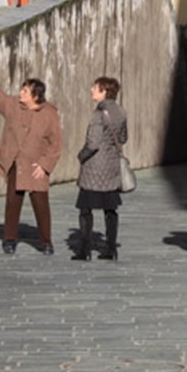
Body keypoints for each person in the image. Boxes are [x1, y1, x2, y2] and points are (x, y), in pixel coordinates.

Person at [0, 62, 63, 255]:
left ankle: (46, 242)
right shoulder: (14, 106)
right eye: (22, 90)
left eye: (25, 91)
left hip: (36, 166)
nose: (21, 93)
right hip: (15, 162)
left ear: (35, 96)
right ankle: (9, 239)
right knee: (13, 203)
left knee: (41, 205)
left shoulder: (49, 114)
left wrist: (45, 165)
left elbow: (56, 144)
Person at [71, 75, 129, 262]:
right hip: (111, 167)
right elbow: (123, 138)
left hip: (94, 169)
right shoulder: (120, 111)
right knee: (110, 210)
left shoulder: (98, 114)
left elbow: (93, 143)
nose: (91, 90)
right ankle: (111, 249)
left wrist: (81, 156)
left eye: (95, 88)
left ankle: (84, 250)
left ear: (104, 91)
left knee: (85, 209)